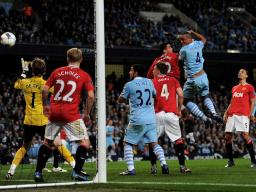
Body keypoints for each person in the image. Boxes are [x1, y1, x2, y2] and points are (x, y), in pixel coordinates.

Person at [6, 58, 74, 180]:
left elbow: (16, 84)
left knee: (24, 147)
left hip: (29, 121)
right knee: (57, 144)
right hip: (42, 120)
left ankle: (11, 171)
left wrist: (24, 72)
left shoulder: (24, 82)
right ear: (44, 71)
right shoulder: (45, 84)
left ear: (32, 70)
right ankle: (76, 167)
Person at [34, 48, 94, 182]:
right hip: (70, 113)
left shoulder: (57, 71)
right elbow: (90, 97)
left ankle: (38, 172)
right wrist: (86, 114)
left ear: (67, 59)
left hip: (54, 112)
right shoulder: (84, 75)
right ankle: (77, 172)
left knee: (48, 143)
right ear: (81, 59)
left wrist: (45, 105)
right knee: (84, 142)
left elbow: (44, 90)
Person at [118, 64, 169, 175]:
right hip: (151, 119)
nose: (129, 72)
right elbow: (155, 96)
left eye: (131, 70)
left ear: (136, 72)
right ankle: (164, 164)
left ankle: (131, 169)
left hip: (137, 119)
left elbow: (120, 100)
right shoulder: (150, 82)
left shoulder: (129, 85)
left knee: (127, 143)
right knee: (154, 144)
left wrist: (129, 99)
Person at [151, 63, 191, 174]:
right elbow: (181, 94)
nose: (153, 71)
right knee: (178, 140)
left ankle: (154, 167)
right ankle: (182, 166)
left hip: (157, 114)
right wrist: (178, 110)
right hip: (171, 114)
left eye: (154, 69)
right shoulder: (173, 80)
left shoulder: (152, 82)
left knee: (153, 141)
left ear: (158, 71)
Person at [178, 30, 222, 126]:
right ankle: (214, 113)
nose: (181, 42)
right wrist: (193, 32)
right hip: (203, 77)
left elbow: (178, 60)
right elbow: (204, 39)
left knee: (185, 100)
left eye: (183, 40)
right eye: (180, 40)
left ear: (189, 39)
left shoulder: (184, 50)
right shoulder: (198, 44)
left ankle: (204, 118)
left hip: (193, 79)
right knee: (205, 96)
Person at [223, 69, 256, 168]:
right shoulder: (234, 88)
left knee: (245, 136)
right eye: (239, 72)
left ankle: (253, 161)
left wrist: (251, 114)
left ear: (246, 75)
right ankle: (231, 161)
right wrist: (226, 112)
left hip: (243, 115)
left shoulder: (249, 87)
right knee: (227, 137)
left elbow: (253, 102)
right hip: (232, 115)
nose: (239, 73)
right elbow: (232, 102)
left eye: (242, 72)